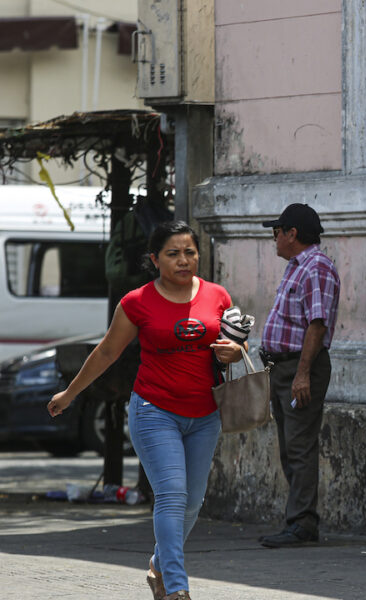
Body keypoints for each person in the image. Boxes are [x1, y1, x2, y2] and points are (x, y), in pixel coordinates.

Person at [47, 220, 244, 600]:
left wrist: (237, 351)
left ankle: (159, 564)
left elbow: (234, 344)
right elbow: (106, 352)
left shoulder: (218, 295)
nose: (183, 260)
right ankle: (176, 587)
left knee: (193, 500)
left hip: (206, 414)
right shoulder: (136, 302)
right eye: (173, 254)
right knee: (171, 495)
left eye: (190, 252)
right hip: (155, 411)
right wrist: (70, 393)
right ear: (155, 260)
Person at [257, 203, 340, 548]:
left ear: (292, 234)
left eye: (277, 231)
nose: (274, 238)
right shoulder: (296, 267)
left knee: (300, 445)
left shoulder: (315, 267)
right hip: (283, 366)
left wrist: (302, 374)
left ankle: (303, 523)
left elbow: (316, 326)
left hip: (299, 366)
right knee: (290, 446)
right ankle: (298, 519)